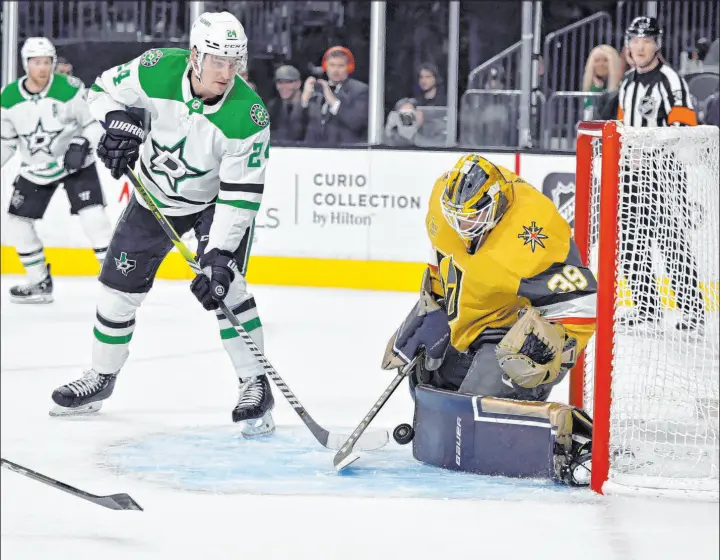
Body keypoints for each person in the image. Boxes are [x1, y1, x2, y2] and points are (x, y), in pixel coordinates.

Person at [48, 12, 275, 438]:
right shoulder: (157, 69)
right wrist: (116, 122)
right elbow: (99, 91)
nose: (226, 72)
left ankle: (254, 384)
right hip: (153, 197)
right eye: (217, 60)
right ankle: (101, 377)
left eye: (234, 61)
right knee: (117, 291)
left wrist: (219, 255)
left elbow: (239, 194)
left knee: (228, 288)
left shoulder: (249, 116)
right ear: (194, 56)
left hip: (213, 205)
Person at [381, 154, 597, 484]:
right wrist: (431, 309)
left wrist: (555, 347)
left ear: (495, 205)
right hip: (469, 323)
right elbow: (441, 258)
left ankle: (573, 439)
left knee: (472, 421)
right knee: (428, 387)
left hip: (509, 336)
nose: (461, 227)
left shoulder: (535, 233)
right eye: (457, 218)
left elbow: (583, 300)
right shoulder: (444, 203)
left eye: (471, 218)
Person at [1, 37, 112, 304]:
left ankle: (115, 282)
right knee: (16, 223)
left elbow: (93, 123)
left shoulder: (70, 88)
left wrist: (81, 142)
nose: (43, 68)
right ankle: (39, 281)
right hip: (36, 169)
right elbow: (6, 142)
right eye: (36, 62)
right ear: (25, 64)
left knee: (94, 218)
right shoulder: (8, 97)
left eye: (47, 62)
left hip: (75, 165)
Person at [616, 16, 705, 333]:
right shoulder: (626, 82)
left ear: (657, 44)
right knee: (630, 241)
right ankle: (646, 307)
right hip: (631, 175)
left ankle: (693, 310)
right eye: (635, 40)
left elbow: (685, 129)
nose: (640, 47)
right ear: (629, 45)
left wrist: (655, 153)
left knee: (672, 241)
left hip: (664, 174)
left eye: (647, 40)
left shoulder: (671, 80)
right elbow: (623, 129)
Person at [299, 46, 369, 145]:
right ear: (325, 66)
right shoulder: (317, 89)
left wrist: (333, 102)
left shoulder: (360, 90)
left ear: (349, 67)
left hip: (345, 154)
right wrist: (304, 101)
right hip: (314, 153)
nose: (335, 70)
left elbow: (357, 123)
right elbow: (297, 127)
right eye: (332, 65)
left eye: (340, 66)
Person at [582, 45, 622, 120]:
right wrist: (597, 87)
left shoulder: (622, 87)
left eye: (605, 60)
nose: (601, 64)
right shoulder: (592, 88)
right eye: (597, 61)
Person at [266, 64, 304, 142]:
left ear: (298, 84)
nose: (283, 86)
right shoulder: (274, 106)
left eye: (288, 82)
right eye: (280, 82)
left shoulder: (309, 106)